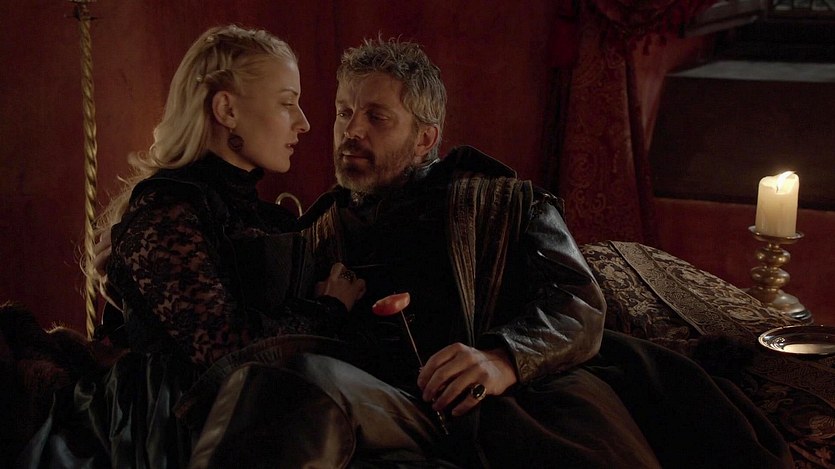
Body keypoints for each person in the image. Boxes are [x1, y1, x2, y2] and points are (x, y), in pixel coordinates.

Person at [191, 37, 793, 468]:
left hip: (504, 401)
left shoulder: (504, 202)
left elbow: (579, 302)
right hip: (387, 403)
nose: (351, 131)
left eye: (377, 117)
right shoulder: (317, 229)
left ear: (424, 138)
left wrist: (503, 358)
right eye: (345, 112)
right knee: (281, 382)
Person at [18, 24, 366, 468]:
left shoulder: (258, 215)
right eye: (286, 103)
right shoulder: (167, 209)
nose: (303, 122)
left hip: (260, 416)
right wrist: (330, 309)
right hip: (172, 427)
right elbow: (224, 352)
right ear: (226, 109)